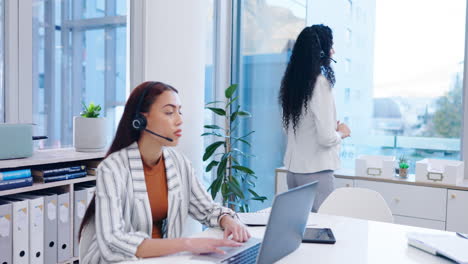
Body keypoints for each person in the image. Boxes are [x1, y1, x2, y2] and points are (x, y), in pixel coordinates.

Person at [79, 81, 250, 263]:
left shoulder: (178, 163)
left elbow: (206, 209)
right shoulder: (112, 168)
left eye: (179, 111)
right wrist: (187, 244)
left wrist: (227, 219)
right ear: (141, 120)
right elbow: (113, 241)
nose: (179, 120)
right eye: (169, 112)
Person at [278, 24, 351, 212]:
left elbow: (289, 128)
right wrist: (341, 133)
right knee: (322, 231)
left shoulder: (293, 84)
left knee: (299, 231)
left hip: (293, 173)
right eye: (330, 46)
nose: (333, 51)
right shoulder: (320, 84)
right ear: (321, 52)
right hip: (316, 173)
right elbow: (326, 138)